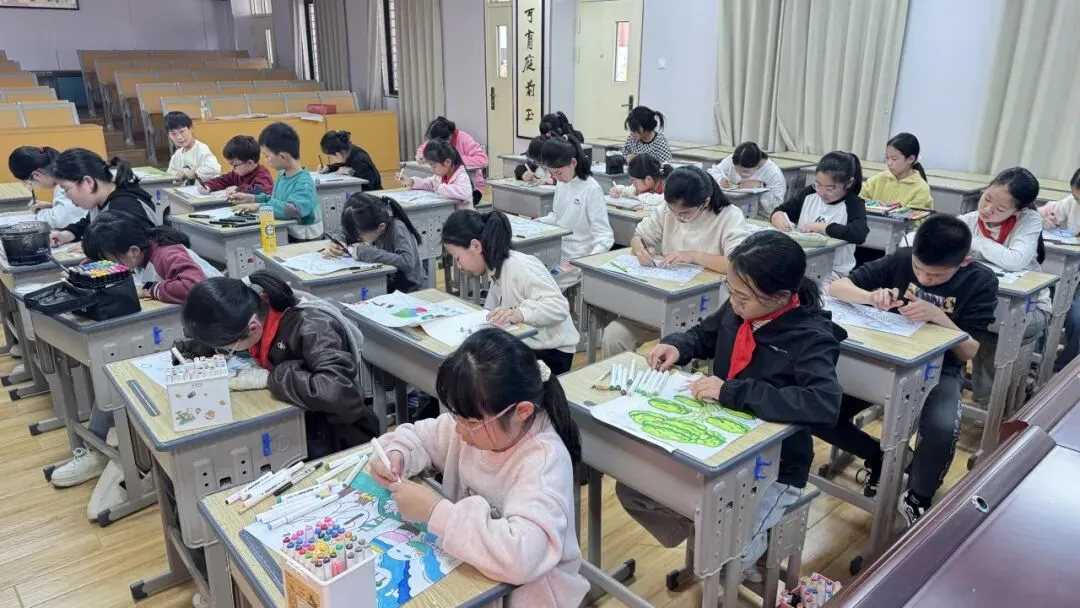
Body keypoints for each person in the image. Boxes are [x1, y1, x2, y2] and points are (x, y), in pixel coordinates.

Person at [623, 230, 844, 582]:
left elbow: (823, 403)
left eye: (743, 298)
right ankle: (710, 536)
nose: (734, 303)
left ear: (780, 297)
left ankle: (725, 551)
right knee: (633, 489)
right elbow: (705, 335)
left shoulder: (811, 337)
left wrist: (733, 392)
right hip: (717, 445)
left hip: (774, 468)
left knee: (725, 564)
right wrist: (678, 345)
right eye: (731, 291)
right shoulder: (741, 307)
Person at [371, 328, 588, 607]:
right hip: (472, 571)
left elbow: (521, 557)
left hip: (530, 596)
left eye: (470, 422)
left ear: (521, 411)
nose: (458, 428)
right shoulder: (473, 425)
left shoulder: (544, 463)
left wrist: (436, 512)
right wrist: (398, 454)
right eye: (455, 416)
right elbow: (419, 437)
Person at [820, 215, 997, 522]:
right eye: (919, 269)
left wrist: (939, 317)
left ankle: (918, 496)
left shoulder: (981, 281)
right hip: (883, 360)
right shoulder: (901, 259)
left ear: (964, 261)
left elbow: (969, 350)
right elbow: (836, 288)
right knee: (817, 410)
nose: (924, 279)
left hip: (938, 369)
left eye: (936, 275)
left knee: (942, 428)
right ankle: (880, 457)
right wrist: (870, 297)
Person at [180, 272, 378, 457]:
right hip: (297, 422)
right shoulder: (250, 311)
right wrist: (190, 351)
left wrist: (271, 377)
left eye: (228, 349)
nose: (226, 352)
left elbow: (337, 391)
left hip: (335, 436)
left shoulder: (313, 327)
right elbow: (214, 329)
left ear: (253, 328)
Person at [603, 166, 750, 357]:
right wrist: (641, 251)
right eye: (673, 211)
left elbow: (736, 265)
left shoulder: (729, 216)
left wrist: (693, 256)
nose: (678, 217)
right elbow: (639, 237)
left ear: (705, 202)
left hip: (706, 308)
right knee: (614, 336)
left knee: (675, 349)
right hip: (665, 300)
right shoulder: (667, 210)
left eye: (685, 213)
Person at [442, 209, 579, 374]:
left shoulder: (518, 266)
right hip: (529, 343)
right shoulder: (495, 267)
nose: (458, 266)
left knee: (482, 373)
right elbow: (490, 313)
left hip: (552, 352)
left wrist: (520, 313)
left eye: (458, 258)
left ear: (476, 246)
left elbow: (559, 306)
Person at [958, 167, 1049, 408]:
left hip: (1029, 310)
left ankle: (995, 404)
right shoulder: (969, 221)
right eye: (986, 198)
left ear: (1018, 211)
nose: (987, 210)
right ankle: (951, 393)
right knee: (951, 324)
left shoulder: (1029, 220)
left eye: (1000, 209)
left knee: (986, 330)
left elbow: (1015, 260)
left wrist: (976, 242)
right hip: (984, 308)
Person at [82, 211, 220, 303]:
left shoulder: (166, 254)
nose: (110, 266)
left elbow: (195, 288)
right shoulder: (140, 249)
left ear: (134, 251)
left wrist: (148, 289)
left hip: (217, 307)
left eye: (110, 261)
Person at [770, 151, 869, 280]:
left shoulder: (853, 203)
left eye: (829, 188)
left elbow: (859, 234)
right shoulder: (810, 194)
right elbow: (780, 211)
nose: (822, 192)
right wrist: (778, 218)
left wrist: (823, 227)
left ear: (849, 183)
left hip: (832, 271)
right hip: (799, 263)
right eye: (818, 185)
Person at [536, 135, 614, 290]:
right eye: (552, 173)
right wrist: (537, 223)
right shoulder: (562, 183)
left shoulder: (591, 189)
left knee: (544, 285)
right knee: (529, 274)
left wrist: (588, 263)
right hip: (558, 251)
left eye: (558, 172)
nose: (555, 177)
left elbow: (604, 236)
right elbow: (558, 217)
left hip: (579, 257)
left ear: (573, 163)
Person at [229, 122, 322, 241]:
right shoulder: (282, 174)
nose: (265, 160)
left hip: (305, 240)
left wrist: (258, 206)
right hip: (288, 233)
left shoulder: (304, 183)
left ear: (282, 156)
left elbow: (292, 209)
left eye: (267, 156)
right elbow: (278, 201)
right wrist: (253, 198)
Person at [49, 148, 157, 246]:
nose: (67, 196)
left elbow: (138, 246)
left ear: (88, 182)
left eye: (66, 189)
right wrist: (68, 234)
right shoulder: (99, 202)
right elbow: (89, 224)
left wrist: (93, 246)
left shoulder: (125, 206)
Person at [325, 192, 426, 293]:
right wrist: (339, 241)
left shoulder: (398, 228)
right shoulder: (370, 225)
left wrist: (368, 252)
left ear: (381, 227)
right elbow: (341, 231)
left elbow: (407, 263)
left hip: (406, 288)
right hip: (383, 281)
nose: (356, 238)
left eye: (359, 235)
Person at [1041, 168, 1080, 371]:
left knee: (1077, 319)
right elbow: (1042, 214)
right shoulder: (1071, 203)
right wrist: (1046, 222)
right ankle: (1035, 363)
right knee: (1041, 307)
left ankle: (1064, 369)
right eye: (1076, 197)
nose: (1077, 203)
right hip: (1065, 272)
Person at [7, 145, 87, 229]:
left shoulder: (64, 183)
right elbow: (76, 210)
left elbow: (58, 221)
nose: (32, 187)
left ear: (36, 175)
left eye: (29, 183)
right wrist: (51, 206)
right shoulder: (69, 169)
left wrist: (40, 212)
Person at [707, 141, 788, 213]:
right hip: (731, 209)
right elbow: (712, 172)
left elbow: (776, 208)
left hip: (759, 216)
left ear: (757, 165)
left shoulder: (773, 173)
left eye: (745, 171)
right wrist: (720, 179)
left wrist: (761, 187)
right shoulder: (734, 159)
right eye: (736, 170)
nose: (740, 175)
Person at [860, 133, 933, 211]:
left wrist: (899, 210)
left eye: (894, 159)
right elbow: (858, 197)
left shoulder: (921, 188)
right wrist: (871, 203)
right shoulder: (879, 179)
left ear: (911, 159)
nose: (889, 163)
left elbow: (916, 216)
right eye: (887, 158)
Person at [414, 116, 487, 190]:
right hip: (445, 182)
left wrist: (455, 159)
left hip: (470, 183)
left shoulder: (463, 138)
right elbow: (423, 148)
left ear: (448, 138)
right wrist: (421, 156)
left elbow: (483, 160)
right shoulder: (436, 138)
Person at [400, 139, 475, 210]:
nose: (432, 170)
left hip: (463, 216)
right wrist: (411, 181)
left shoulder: (461, 175)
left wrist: (440, 188)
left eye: (434, 166)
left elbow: (465, 193)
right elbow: (427, 183)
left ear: (447, 162)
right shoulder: (441, 176)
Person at [198, 135, 274, 196]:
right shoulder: (237, 174)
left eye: (235, 165)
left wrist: (238, 189)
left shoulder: (262, 175)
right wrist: (208, 186)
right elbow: (222, 180)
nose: (233, 169)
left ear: (250, 163)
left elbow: (262, 191)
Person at [163, 111, 221, 183]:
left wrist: (195, 172)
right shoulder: (177, 154)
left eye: (182, 131)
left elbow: (215, 168)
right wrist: (176, 174)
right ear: (169, 136)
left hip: (206, 188)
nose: (179, 137)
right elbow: (169, 173)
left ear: (191, 128)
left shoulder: (201, 148)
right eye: (173, 134)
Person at [608, 154, 673, 207]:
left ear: (648, 179)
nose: (633, 184)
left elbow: (664, 200)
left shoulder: (670, 184)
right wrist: (619, 190)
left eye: (634, 181)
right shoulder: (647, 184)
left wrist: (639, 197)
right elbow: (630, 190)